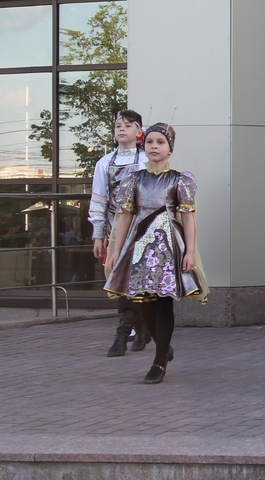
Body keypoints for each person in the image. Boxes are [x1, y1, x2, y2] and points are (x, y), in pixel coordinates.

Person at [104, 123, 208, 384]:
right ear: (144, 146)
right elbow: (124, 216)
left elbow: (188, 218)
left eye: (160, 142)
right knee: (143, 301)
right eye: (150, 142)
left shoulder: (179, 180)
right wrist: (116, 250)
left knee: (163, 302)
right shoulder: (134, 178)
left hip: (167, 245)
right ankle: (163, 344)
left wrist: (190, 251)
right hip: (139, 244)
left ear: (170, 149)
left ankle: (159, 360)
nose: (154, 146)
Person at [90, 110, 149, 358]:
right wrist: (98, 234)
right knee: (121, 279)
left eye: (127, 125)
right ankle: (137, 329)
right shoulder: (104, 163)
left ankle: (126, 332)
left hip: (145, 229)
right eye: (117, 125)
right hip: (116, 231)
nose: (121, 129)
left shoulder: (147, 160)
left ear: (139, 132)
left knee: (138, 281)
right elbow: (99, 200)